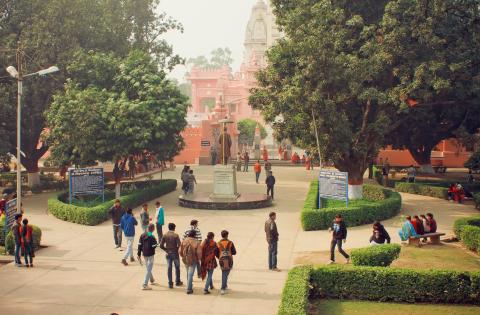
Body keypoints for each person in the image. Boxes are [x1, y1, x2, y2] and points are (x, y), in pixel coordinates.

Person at [160, 223, 183, 288]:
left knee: (169, 268)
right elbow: (179, 245)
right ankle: (177, 281)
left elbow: (161, 245)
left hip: (168, 253)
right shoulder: (176, 235)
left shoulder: (165, 235)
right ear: (174, 228)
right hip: (175, 253)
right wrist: (177, 250)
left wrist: (166, 250)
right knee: (177, 267)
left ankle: (170, 283)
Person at [180, 229, 202, 294]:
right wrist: (198, 259)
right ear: (195, 235)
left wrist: (183, 256)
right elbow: (199, 252)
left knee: (188, 273)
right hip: (193, 260)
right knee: (190, 274)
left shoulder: (184, 241)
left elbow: (180, 250)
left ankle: (189, 285)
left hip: (186, 259)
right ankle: (189, 288)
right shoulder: (196, 242)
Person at [216, 230, 237, 295]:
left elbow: (216, 253)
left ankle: (225, 285)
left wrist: (219, 257)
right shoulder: (230, 243)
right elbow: (234, 252)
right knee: (225, 273)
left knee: (224, 272)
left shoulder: (218, 243)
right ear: (227, 235)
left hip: (221, 260)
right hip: (229, 259)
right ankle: (223, 288)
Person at [137, 224, 157, 290]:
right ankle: (145, 284)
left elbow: (139, 245)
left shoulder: (142, 235)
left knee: (148, 268)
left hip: (144, 254)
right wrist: (157, 244)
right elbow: (154, 246)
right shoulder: (152, 236)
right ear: (153, 229)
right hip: (150, 254)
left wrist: (138, 254)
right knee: (149, 269)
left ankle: (151, 279)